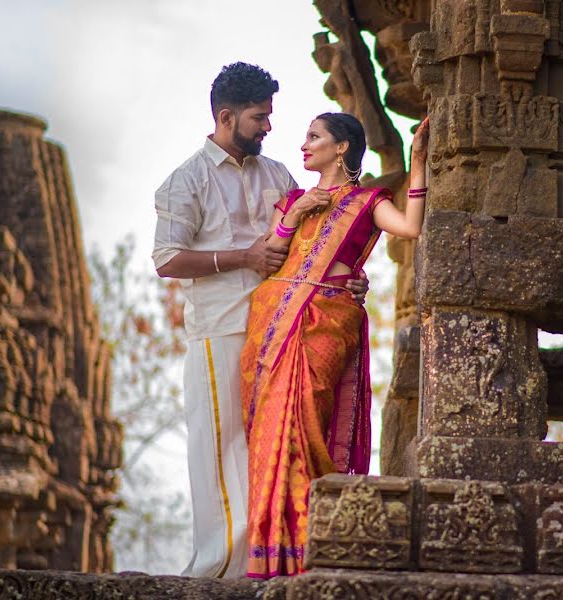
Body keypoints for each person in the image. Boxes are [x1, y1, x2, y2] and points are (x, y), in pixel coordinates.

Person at [151, 63, 368, 579]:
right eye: (259, 118)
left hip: (284, 331)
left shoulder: (277, 176)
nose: (269, 127)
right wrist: (242, 258)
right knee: (221, 443)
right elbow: (166, 260)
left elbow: (320, 239)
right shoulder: (187, 180)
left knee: (271, 446)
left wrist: (349, 281)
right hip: (221, 328)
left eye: (269, 116)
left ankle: (268, 562)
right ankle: (216, 569)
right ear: (226, 117)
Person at [240, 112, 429, 579]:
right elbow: (269, 259)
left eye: (313, 137)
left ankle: (310, 541)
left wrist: (418, 163)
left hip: (327, 318)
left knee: (305, 417)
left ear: (341, 147)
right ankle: (271, 555)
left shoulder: (367, 202)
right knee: (271, 433)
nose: (303, 145)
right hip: (274, 322)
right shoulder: (292, 200)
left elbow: (409, 228)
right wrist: (297, 215)